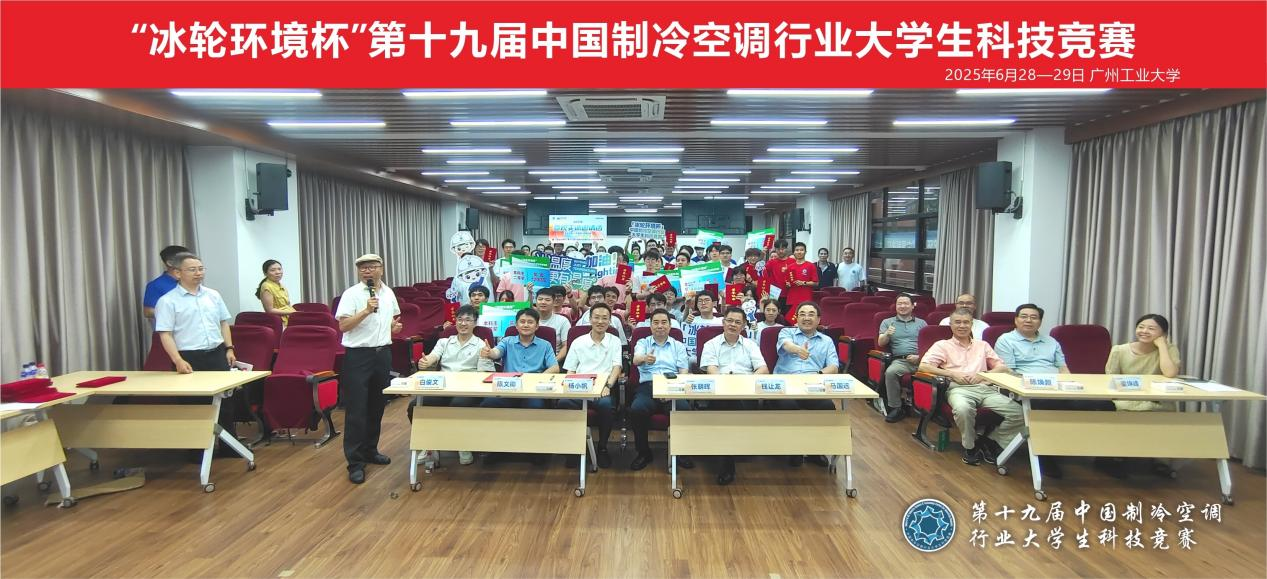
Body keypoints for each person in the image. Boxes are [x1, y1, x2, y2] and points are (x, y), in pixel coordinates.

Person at [994, 303, 1110, 479]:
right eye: (1024, 316)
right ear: (1016, 320)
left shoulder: (1051, 341)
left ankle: (1105, 456)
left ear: (1040, 322)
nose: (1028, 320)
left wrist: (1070, 385)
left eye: (1034, 317)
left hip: (1057, 388)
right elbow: (1008, 371)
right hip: (1026, 389)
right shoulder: (1006, 340)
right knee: (1048, 405)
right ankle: (1045, 455)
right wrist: (1032, 384)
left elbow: (1063, 368)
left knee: (1104, 405)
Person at [154, 252, 238, 447]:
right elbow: (165, 334)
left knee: (225, 403)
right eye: (192, 270)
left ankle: (230, 447)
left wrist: (229, 348)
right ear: (177, 273)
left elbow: (223, 323)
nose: (198, 273)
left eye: (201, 269)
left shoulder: (213, 295)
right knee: (194, 406)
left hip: (216, 354)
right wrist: (177, 360)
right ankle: (197, 451)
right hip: (189, 357)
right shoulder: (167, 301)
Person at [334, 253, 404, 484]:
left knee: (376, 406)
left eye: (371, 266)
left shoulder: (388, 292)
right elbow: (343, 326)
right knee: (356, 409)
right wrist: (365, 310)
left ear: (381, 269)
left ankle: (370, 450)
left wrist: (394, 327)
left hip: (382, 354)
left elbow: (390, 320)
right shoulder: (351, 294)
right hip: (358, 356)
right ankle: (355, 462)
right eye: (362, 268)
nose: (366, 271)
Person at [918, 308, 1019, 467]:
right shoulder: (942, 345)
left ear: (972, 324)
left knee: (1019, 413)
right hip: (958, 389)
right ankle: (970, 446)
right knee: (963, 409)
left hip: (986, 389)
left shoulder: (982, 345)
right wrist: (952, 374)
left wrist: (983, 374)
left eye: (966, 322)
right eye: (957, 322)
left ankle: (991, 441)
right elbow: (924, 367)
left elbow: (1002, 367)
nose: (962, 326)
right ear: (950, 325)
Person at [415, 304, 492, 467]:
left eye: (468, 320)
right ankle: (430, 445)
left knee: (458, 405)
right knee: (416, 406)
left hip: (468, 389)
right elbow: (433, 356)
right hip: (444, 386)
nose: (463, 323)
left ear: (475, 323)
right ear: (455, 322)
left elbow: (484, 373)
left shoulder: (480, 345)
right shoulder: (444, 342)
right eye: (460, 319)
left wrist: (486, 358)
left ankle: (462, 444)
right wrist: (426, 361)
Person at [700, 306, 769, 485]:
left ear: (744, 326)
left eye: (738, 322)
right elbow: (712, 370)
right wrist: (727, 385)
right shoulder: (711, 344)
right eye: (729, 321)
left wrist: (746, 383)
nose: (732, 325)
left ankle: (726, 460)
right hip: (719, 392)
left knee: (730, 410)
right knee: (728, 405)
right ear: (723, 322)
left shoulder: (750, 345)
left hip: (745, 391)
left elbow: (763, 369)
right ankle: (727, 462)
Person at [771, 302, 839, 466]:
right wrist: (798, 350)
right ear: (796, 318)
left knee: (827, 407)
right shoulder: (787, 332)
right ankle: (795, 449)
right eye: (802, 314)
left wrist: (818, 375)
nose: (806, 318)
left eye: (811, 314)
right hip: (785, 384)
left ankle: (815, 450)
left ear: (818, 319)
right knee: (788, 407)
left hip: (812, 385)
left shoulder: (827, 341)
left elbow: (834, 366)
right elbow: (787, 345)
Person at [558, 303, 621, 469]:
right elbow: (570, 370)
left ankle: (602, 448)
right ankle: (576, 447)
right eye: (596, 317)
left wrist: (608, 386)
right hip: (579, 387)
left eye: (604, 318)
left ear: (610, 321)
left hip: (602, 388)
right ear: (590, 319)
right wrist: (570, 386)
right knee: (563, 403)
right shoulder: (578, 342)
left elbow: (617, 367)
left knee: (606, 406)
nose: (600, 321)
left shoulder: (614, 340)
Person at [629, 309, 693, 471]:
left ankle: (681, 452)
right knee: (637, 409)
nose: (660, 326)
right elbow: (636, 360)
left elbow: (683, 371)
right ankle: (643, 453)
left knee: (684, 409)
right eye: (656, 323)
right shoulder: (643, 342)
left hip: (672, 386)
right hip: (648, 386)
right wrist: (645, 358)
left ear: (670, 326)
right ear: (650, 326)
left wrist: (674, 390)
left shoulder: (678, 345)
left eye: (664, 322)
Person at [479, 308, 559, 412]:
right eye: (522, 322)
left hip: (533, 390)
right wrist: (490, 353)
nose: (526, 325)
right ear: (516, 325)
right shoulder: (507, 341)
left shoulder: (545, 345)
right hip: (508, 387)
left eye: (530, 322)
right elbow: (497, 352)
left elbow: (555, 368)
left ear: (537, 326)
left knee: (535, 406)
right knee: (488, 403)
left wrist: (537, 380)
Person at [1107, 314, 1181, 412]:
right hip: (1125, 400)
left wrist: (1162, 346)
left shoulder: (1169, 349)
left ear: (1164, 334)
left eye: (1151, 328)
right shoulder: (1119, 350)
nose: (1144, 331)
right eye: (1141, 327)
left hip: (1158, 402)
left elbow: (1170, 373)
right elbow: (1110, 380)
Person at [876, 295, 927, 422]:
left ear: (912, 306)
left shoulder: (922, 323)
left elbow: (928, 344)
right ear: (895, 306)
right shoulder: (887, 322)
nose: (902, 306)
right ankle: (896, 407)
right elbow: (881, 343)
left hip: (922, 359)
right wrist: (887, 334)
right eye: (899, 304)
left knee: (941, 373)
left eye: (906, 303)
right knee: (891, 372)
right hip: (901, 360)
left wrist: (919, 357)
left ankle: (934, 410)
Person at [143, 244, 190, 319]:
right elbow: (148, 312)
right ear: (170, 263)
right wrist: (177, 312)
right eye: (184, 259)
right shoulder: (155, 285)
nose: (190, 262)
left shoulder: (191, 281)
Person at [683, 291, 723, 364]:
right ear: (697, 305)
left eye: (707, 300)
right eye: (700, 301)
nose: (703, 303)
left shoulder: (722, 322)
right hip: (694, 359)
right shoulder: (691, 320)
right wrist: (687, 323)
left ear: (714, 303)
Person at [783, 242, 819, 322]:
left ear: (805, 252)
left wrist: (804, 283)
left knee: (805, 322)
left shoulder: (811, 266)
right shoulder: (790, 267)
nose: (799, 252)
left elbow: (816, 283)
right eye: (797, 250)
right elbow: (787, 283)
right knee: (790, 322)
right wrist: (788, 284)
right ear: (794, 252)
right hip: (792, 300)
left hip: (806, 300)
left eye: (801, 250)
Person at [255, 259, 297, 325]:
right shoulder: (266, 286)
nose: (277, 272)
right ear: (265, 273)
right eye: (273, 270)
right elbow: (270, 310)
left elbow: (287, 305)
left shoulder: (281, 286)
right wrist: (292, 313)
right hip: (278, 322)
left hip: (289, 319)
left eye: (279, 269)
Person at [534, 289, 572, 361]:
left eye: (547, 300)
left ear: (554, 302)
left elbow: (566, 346)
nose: (543, 302)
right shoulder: (529, 321)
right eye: (540, 299)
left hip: (554, 358)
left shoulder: (563, 321)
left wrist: (553, 362)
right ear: (536, 301)